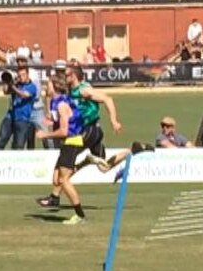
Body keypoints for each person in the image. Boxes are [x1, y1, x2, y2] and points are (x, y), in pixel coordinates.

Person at [36, 65, 132, 207]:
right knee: (104, 167)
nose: (64, 77)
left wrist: (113, 120)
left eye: (66, 74)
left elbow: (107, 99)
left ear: (73, 76)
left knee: (64, 168)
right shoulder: (69, 92)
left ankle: (55, 197)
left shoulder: (83, 90)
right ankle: (132, 150)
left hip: (89, 131)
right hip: (87, 132)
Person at [35, 75, 107, 224]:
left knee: (63, 180)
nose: (45, 88)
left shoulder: (61, 105)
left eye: (47, 85)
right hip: (69, 141)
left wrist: (45, 135)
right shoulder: (57, 101)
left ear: (54, 86)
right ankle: (86, 161)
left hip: (72, 141)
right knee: (57, 180)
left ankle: (80, 215)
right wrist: (50, 120)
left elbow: (64, 131)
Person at [0, 65, 37, 149]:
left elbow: (24, 95)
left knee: (18, 145)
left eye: (23, 75)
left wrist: (13, 87)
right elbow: (5, 91)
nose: (21, 77)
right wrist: (7, 81)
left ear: (28, 74)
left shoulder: (32, 86)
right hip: (10, 116)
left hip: (22, 119)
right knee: (1, 140)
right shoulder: (16, 84)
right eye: (20, 75)